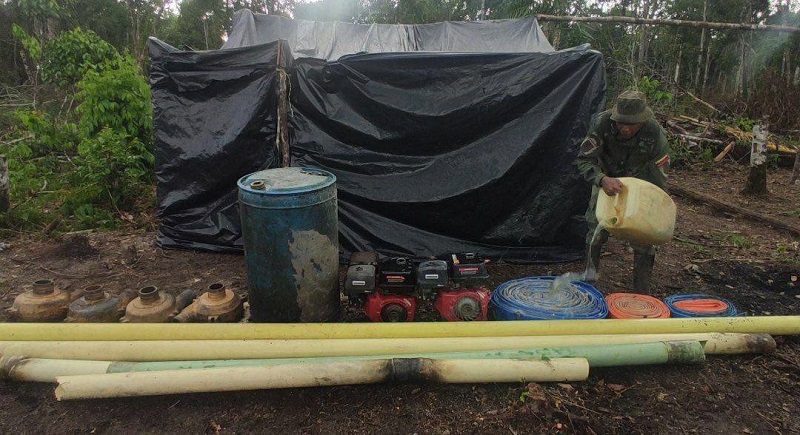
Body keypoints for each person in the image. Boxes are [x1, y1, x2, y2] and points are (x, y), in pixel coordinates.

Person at [574, 90, 671, 294]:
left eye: (631, 124)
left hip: (640, 185)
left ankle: (642, 293)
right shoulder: (601, 124)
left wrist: (654, 209)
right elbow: (584, 159)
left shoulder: (656, 135)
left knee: (645, 238)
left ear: (642, 121)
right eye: (621, 123)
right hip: (607, 181)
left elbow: (660, 179)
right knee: (596, 231)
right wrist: (601, 179)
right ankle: (588, 286)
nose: (625, 128)